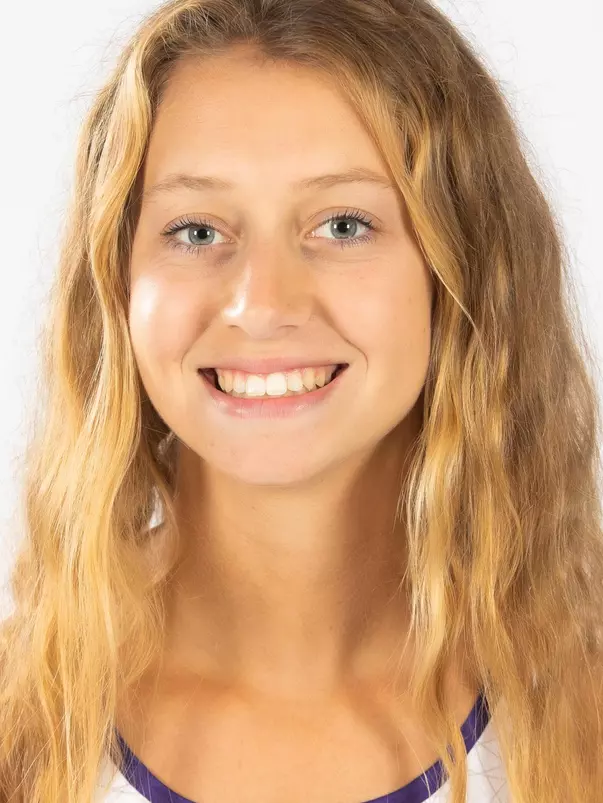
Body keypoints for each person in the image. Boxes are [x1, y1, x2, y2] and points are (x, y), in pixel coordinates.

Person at [1, 0, 602, 801]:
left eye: (343, 224)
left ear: (463, 273)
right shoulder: (21, 722)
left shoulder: (580, 712)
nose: (262, 302)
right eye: (196, 230)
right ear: (116, 284)